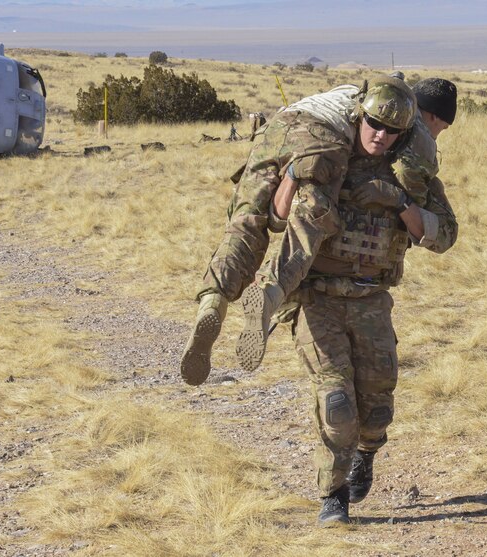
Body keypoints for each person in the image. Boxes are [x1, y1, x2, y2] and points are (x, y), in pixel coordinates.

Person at [275, 78, 459, 526]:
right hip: (318, 297)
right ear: (360, 119)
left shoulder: (409, 173)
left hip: (372, 299)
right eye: (373, 125)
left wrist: (399, 203)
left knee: (376, 409)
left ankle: (367, 453)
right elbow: (277, 217)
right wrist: (295, 172)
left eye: (391, 130)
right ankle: (332, 496)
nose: (380, 135)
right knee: (336, 401)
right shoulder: (329, 157)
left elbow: (444, 236)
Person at [180, 76, 417, 386]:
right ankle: (271, 293)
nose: (384, 133)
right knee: (313, 221)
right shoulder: (402, 116)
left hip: (277, 128)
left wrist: (289, 176)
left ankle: (212, 302)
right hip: (320, 137)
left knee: (245, 222)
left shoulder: (339, 94)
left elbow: (274, 219)